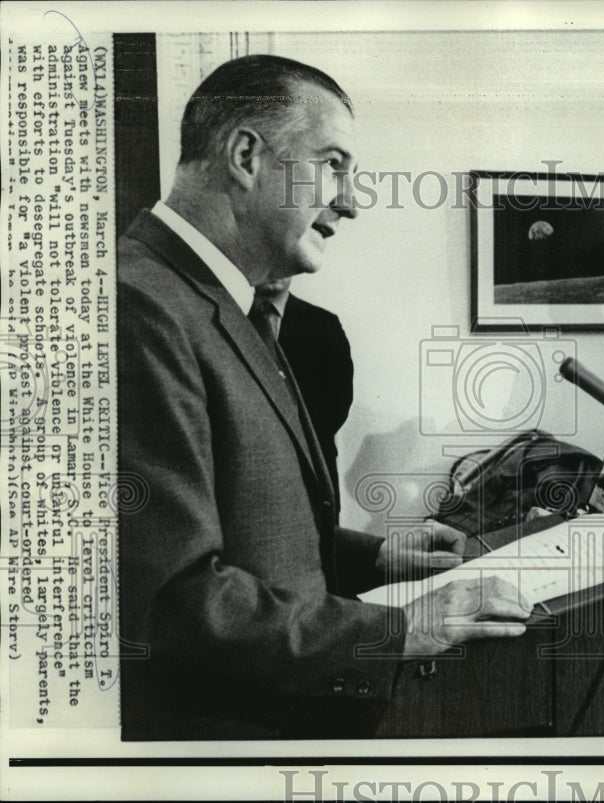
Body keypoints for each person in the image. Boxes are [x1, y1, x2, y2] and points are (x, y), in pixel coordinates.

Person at [117, 54, 529, 739]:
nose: (352, 199)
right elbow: (175, 600)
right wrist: (402, 628)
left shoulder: (218, 301)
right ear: (246, 155)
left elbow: (244, 525)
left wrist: (381, 556)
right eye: (334, 164)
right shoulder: (138, 307)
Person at [255, 276, 354, 514]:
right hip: (253, 474)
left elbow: (338, 403)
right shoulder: (227, 318)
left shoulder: (323, 323)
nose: (274, 271)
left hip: (313, 472)